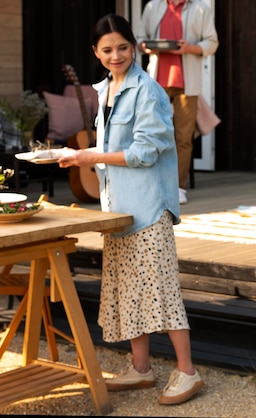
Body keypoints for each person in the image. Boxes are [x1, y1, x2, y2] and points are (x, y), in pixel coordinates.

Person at [58, 14, 203, 405]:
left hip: (149, 208)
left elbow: (146, 150)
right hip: (117, 210)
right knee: (127, 291)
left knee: (162, 291)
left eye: (122, 47)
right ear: (96, 52)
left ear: (134, 46)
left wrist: (91, 154)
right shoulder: (104, 90)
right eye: (107, 49)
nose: (115, 55)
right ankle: (141, 369)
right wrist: (84, 159)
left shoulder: (149, 91)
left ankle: (188, 373)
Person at [137, 0, 219, 204]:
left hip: (187, 84)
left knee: (183, 138)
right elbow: (140, 40)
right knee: (153, 135)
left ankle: (178, 187)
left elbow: (212, 43)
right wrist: (145, 46)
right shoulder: (152, 7)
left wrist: (190, 48)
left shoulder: (201, 8)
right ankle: (153, 183)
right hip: (156, 83)